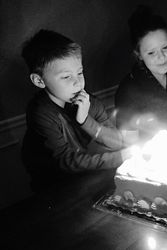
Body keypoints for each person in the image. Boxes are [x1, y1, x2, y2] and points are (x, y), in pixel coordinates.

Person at [21, 29, 136, 191]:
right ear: (39, 80)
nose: (78, 83)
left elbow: (115, 141)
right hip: (53, 187)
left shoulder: (89, 102)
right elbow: (65, 160)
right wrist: (120, 157)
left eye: (80, 72)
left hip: (85, 180)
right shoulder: (41, 112)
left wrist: (85, 121)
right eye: (66, 77)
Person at [115, 5, 167, 139]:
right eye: (151, 52)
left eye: (165, 47)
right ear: (139, 55)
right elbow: (129, 143)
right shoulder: (128, 91)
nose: (161, 57)